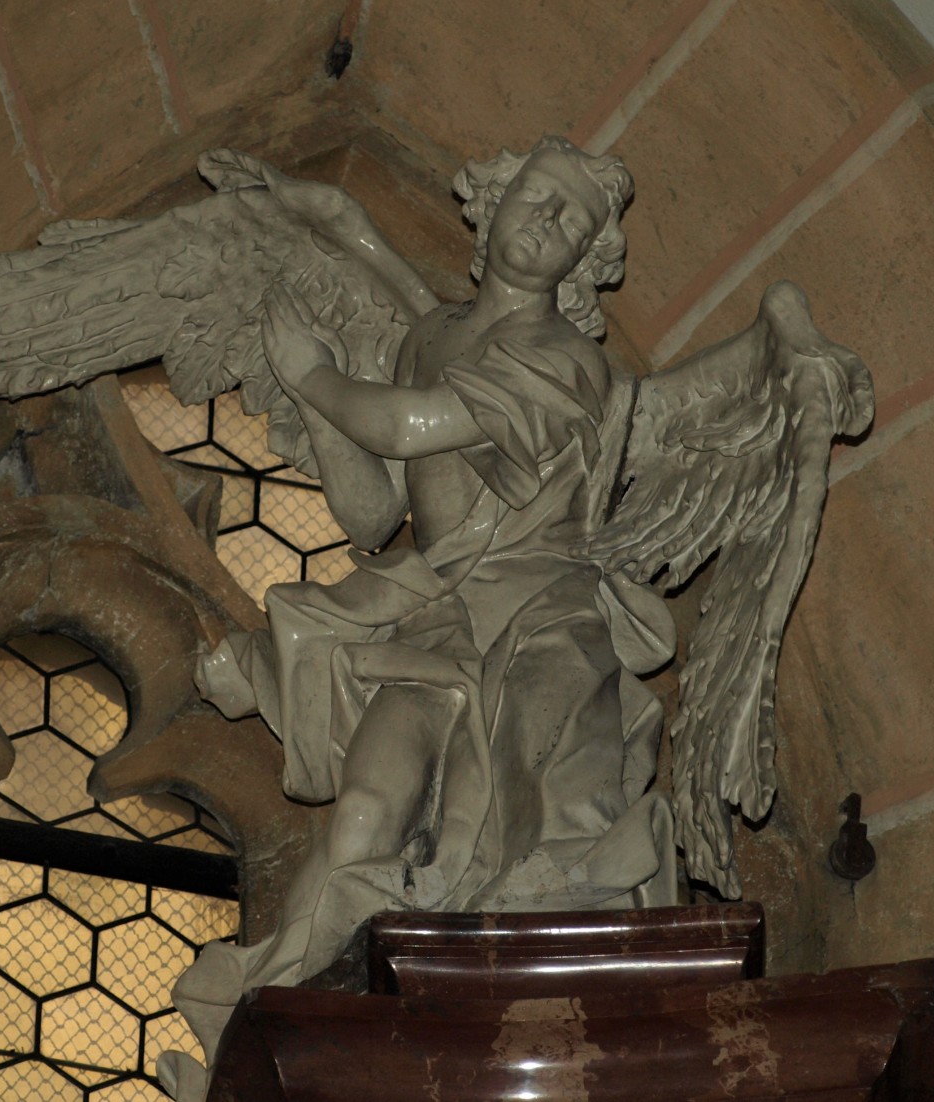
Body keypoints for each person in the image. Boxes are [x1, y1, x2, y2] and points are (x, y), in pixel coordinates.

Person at [161, 137, 679, 1095]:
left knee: (479, 839)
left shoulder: (570, 364)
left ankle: (434, 1026)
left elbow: (406, 424)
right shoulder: (430, 336)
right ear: (491, 203)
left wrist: (314, 377)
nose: (546, 222)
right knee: (363, 811)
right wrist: (323, 349)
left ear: (585, 259)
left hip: (536, 626)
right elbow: (371, 514)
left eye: (571, 219)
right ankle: (260, 1043)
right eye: (536, 196)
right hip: (436, 616)